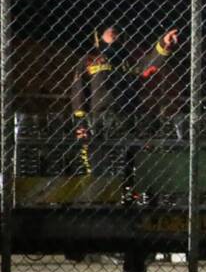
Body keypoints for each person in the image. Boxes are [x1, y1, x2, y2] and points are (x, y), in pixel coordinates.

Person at [70, 24, 180, 176]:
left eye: (117, 31)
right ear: (98, 36)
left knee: (128, 170)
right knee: (98, 170)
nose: (114, 33)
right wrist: (81, 123)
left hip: (127, 121)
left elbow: (149, 64)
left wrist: (164, 44)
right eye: (109, 31)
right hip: (99, 123)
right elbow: (78, 92)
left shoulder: (128, 61)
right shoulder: (89, 59)